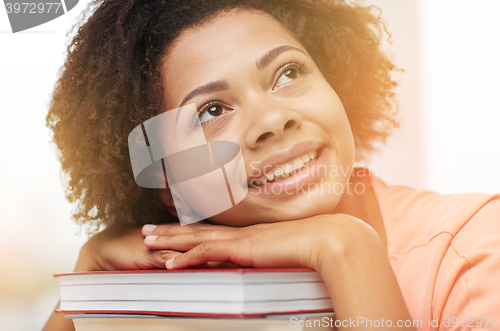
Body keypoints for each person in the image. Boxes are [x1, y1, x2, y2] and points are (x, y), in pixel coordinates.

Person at [43, 0, 500, 330]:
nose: (274, 121)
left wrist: (345, 250)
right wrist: (87, 284)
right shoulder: (171, 291)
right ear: (165, 182)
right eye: (212, 111)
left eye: (289, 73)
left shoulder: (475, 249)